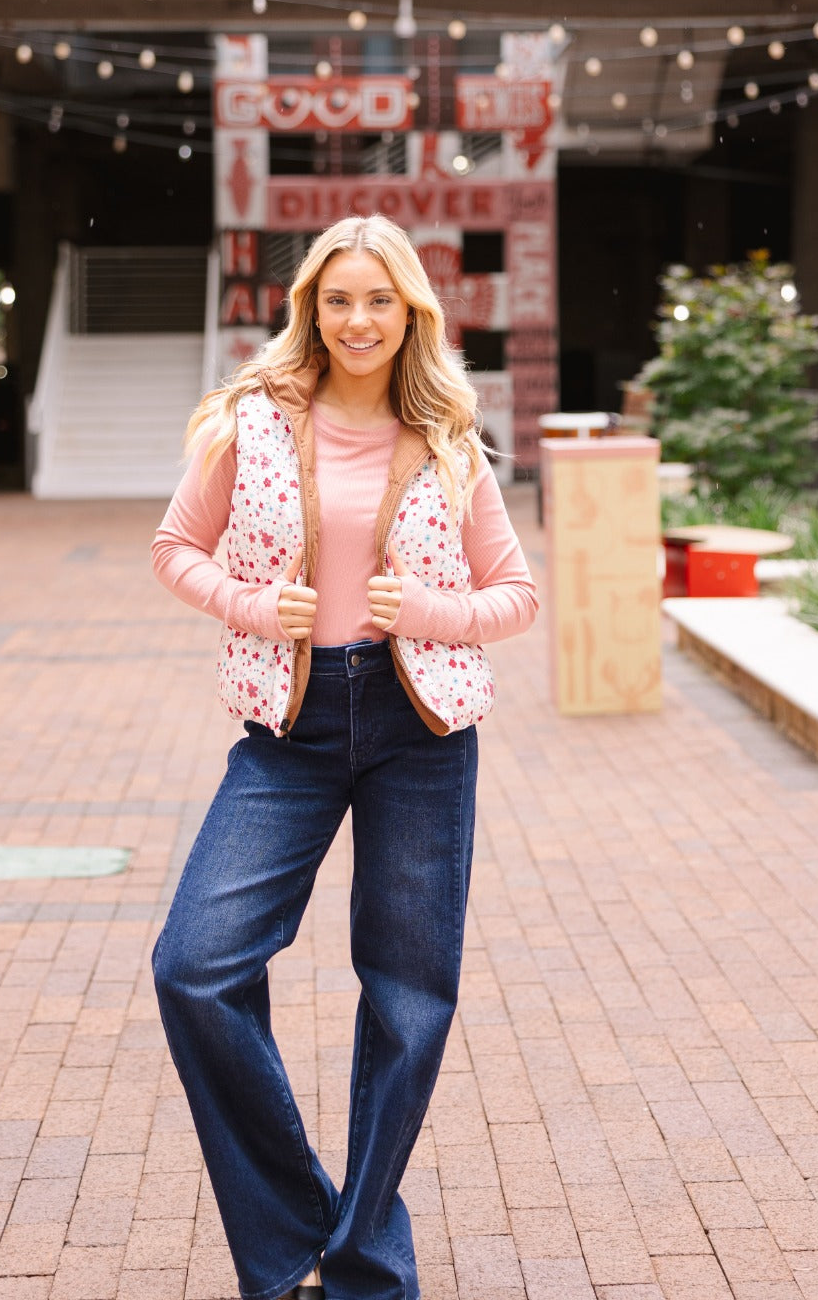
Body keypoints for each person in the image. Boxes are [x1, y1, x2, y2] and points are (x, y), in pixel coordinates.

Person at [150, 214, 538, 1300]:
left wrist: (428, 609)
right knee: (196, 966)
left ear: (410, 311)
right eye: (337, 299)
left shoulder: (452, 439)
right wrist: (249, 602)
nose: (357, 319)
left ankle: (364, 1261)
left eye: (379, 300)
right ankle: (291, 1237)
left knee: (409, 1000)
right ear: (309, 309)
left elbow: (517, 597)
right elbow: (175, 548)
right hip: (292, 729)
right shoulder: (249, 425)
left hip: (423, 732)